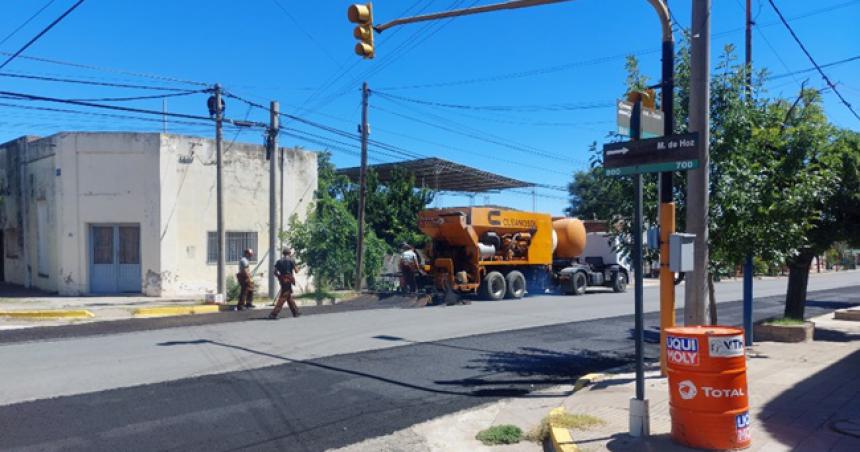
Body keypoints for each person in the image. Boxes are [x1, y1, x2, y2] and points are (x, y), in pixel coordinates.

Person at [269, 248, 301, 319]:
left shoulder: (279, 261)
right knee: (283, 297)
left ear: (283, 253)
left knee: (288, 296)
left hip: (282, 280)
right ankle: (273, 314)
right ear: (289, 253)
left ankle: (295, 312)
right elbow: (296, 271)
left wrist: (280, 277)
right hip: (289, 279)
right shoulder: (291, 260)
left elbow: (275, 272)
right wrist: (299, 268)